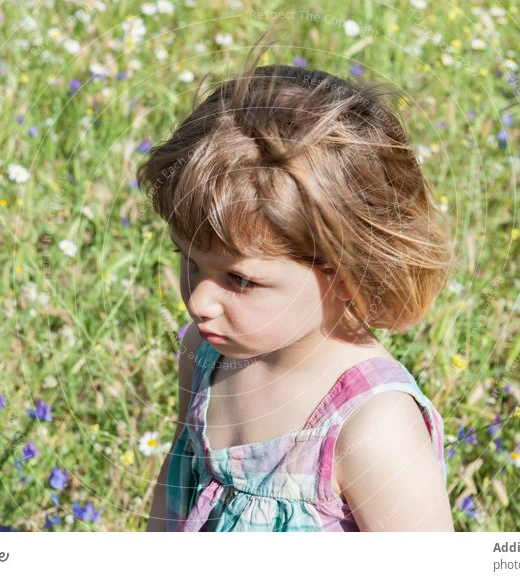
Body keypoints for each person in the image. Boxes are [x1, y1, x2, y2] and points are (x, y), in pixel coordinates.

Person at [139, 36, 454, 532]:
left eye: (240, 280)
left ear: (350, 273)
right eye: (189, 260)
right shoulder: (204, 355)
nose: (199, 300)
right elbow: (175, 491)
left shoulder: (371, 424)